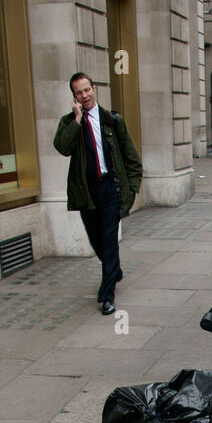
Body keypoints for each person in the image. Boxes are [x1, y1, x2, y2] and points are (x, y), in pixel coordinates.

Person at [53, 72, 142, 315]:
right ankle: (114, 270)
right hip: (87, 193)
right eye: (79, 93)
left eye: (87, 90)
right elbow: (62, 147)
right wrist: (77, 120)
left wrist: (132, 187)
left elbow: (132, 158)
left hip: (110, 188)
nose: (84, 96)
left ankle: (107, 295)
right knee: (97, 240)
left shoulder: (112, 120)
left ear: (94, 88)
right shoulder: (70, 122)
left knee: (109, 239)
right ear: (75, 97)